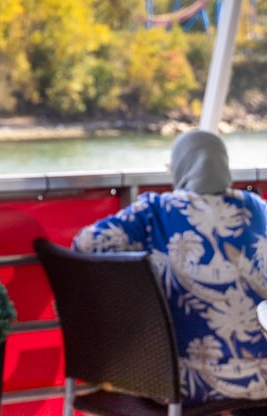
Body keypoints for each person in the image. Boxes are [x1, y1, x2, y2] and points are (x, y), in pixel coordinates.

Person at [73, 129, 267, 406]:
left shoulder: (156, 210)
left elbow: (86, 243)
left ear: (180, 166)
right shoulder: (255, 207)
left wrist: (150, 259)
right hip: (261, 381)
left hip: (184, 384)